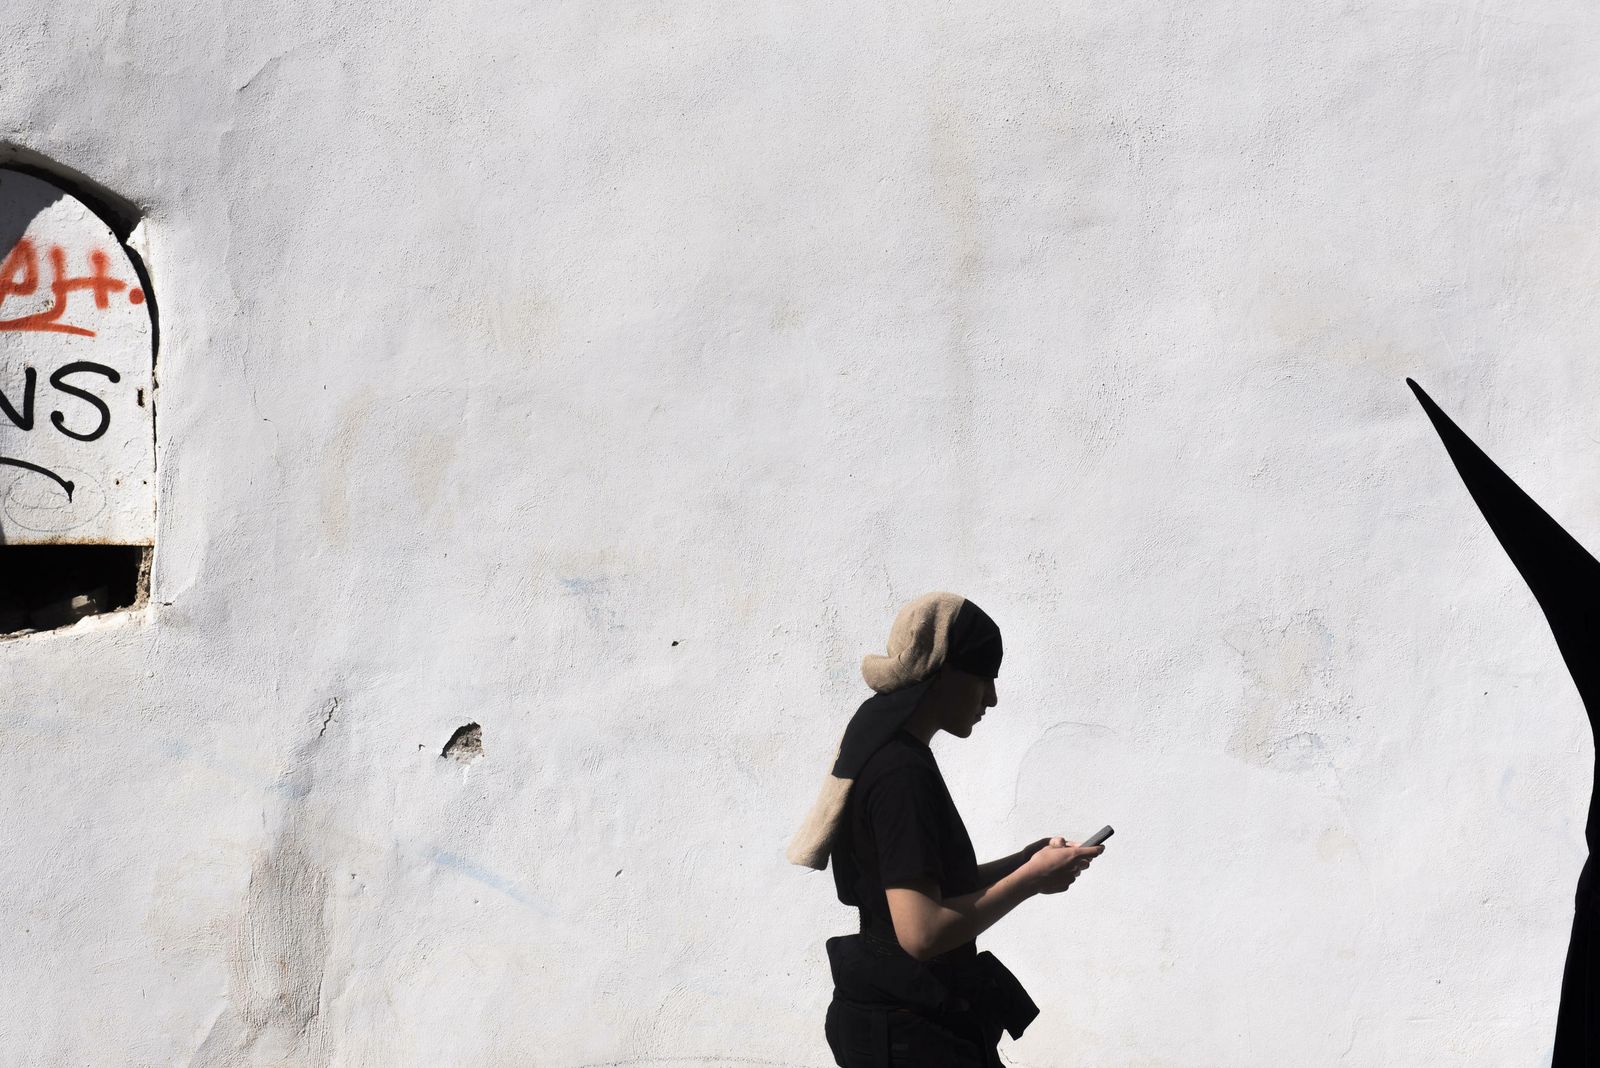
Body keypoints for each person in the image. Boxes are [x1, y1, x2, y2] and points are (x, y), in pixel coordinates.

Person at [788, 591, 1104, 1067]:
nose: (992, 698)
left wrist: (1023, 861)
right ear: (942, 673)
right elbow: (922, 932)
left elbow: (928, 892)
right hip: (910, 1039)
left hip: (900, 1023)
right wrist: (1032, 880)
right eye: (984, 677)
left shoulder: (890, 753)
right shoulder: (901, 774)